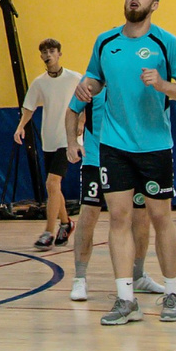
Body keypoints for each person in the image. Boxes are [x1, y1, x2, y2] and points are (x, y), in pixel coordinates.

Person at [77, 0, 176, 324]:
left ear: (154, 5)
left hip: (155, 145)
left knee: (161, 218)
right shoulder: (106, 41)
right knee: (118, 218)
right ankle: (125, 298)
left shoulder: (166, 43)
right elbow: (95, 78)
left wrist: (162, 84)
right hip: (113, 145)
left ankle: (173, 293)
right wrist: (88, 87)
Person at [67, 85, 149, 303]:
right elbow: (72, 109)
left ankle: (138, 275)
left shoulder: (130, 77)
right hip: (96, 157)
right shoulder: (91, 83)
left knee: (141, 216)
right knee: (89, 214)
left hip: (131, 157)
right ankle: (80, 278)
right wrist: (71, 142)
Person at [14, 37, 83, 248]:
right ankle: (66, 222)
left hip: (68, 138)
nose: (48, 55)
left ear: (59, 54)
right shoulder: (39, 82)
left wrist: (82, 122)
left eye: (52, 51)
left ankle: (48, 232)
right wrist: (20, 127)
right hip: (49, 139)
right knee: (55, 188)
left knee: (52, 184)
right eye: (44, 52)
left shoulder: (74, 78)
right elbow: (29, 107)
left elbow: (87, 101)